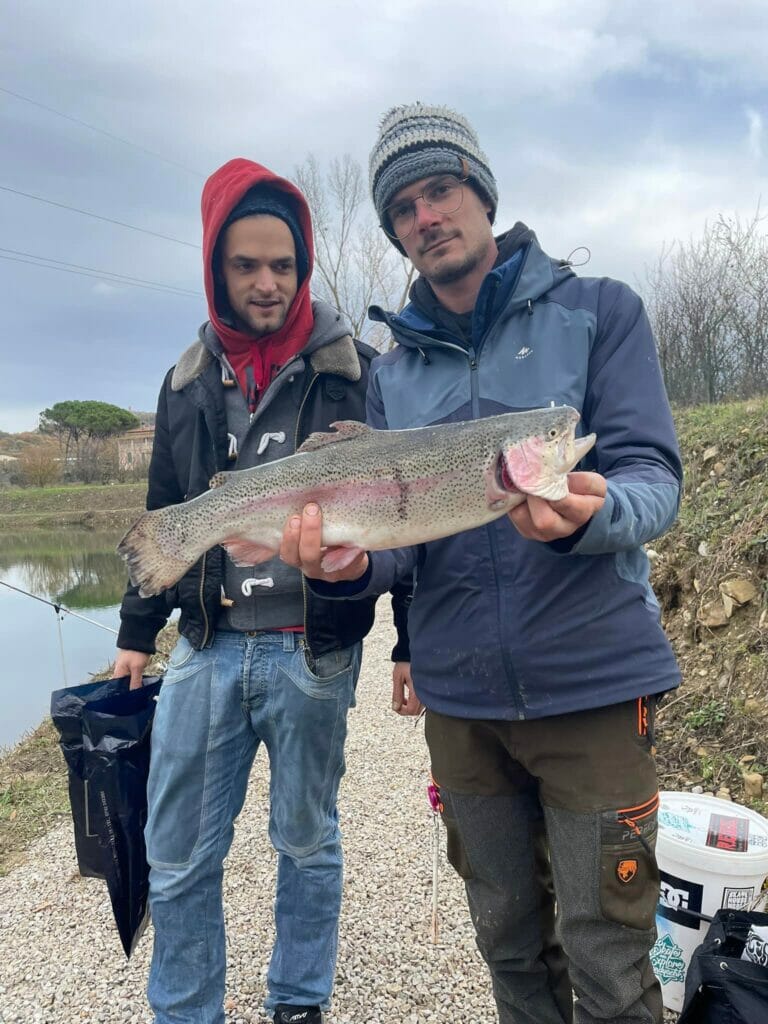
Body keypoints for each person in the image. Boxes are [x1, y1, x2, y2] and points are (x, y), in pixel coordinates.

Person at [280, 104, 683, 1024]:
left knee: (611, 957)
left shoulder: (601, 312)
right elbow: (401, 552)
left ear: (481, 193)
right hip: (462, 708)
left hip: (593, 686)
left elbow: (654, 479)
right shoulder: (391, 372)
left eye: (441, 189)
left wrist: (592, 517)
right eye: (404, 208)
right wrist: (347, 570)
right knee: (507, 947)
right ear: (395, 232)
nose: (427, 215)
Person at [114, 157, 395, 1024]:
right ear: (215, 267)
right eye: (247, 266)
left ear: (304, 265)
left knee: (306, 843)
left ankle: (298, 1004)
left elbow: (404, 510)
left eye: (283, 264)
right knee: (177, 853)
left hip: (314, 651)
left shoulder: (362, 370)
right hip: (208, 642)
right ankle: (186, 1011)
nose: (268, 283)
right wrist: (135, 629)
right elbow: (168, 510)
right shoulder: (185, 380)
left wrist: (410, 644)